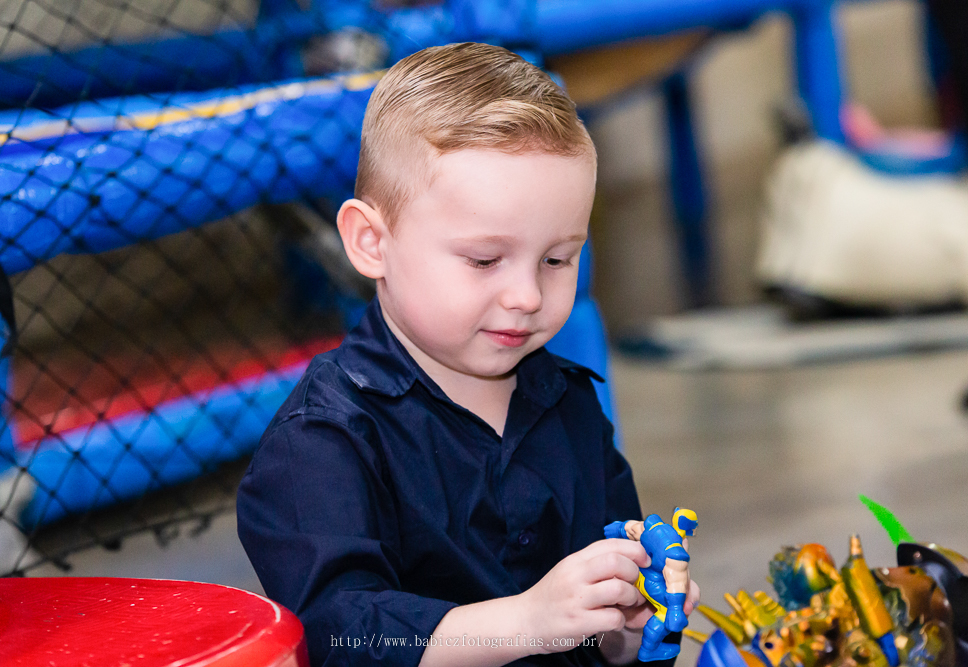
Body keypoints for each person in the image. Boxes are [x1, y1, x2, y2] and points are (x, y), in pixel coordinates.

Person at [237, 42, 699, 667]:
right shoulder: (323, 441)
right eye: (484, 260)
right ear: (371, 243)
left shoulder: (572, 405)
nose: (528, 294)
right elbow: (336, 634)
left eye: (558, 259)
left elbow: (599, 637)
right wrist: (523, 623)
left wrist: (625, 627)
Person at [603, 509, 698, 662]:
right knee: (665, 612)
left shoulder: (656, 527)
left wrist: (616, 529)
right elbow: (677, 583)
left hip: (637, 572)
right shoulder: (675, 550)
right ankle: (649, 650)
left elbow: (632, 529)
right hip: (651, 584)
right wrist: (675, 611)